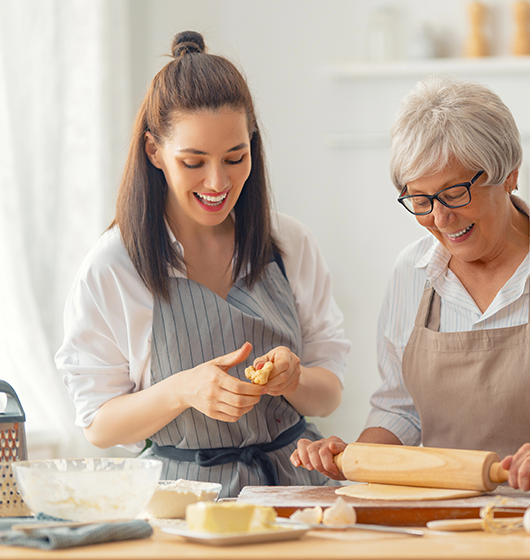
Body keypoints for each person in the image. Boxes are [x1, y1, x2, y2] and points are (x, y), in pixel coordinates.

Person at [291, 76, 530, 494]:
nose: (441, 219)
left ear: (509, 174)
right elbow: (402, 410)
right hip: (452, 525)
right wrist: (354, 458)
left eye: (455, 193)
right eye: (421, 201)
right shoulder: (410, 274)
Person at [56, 31, 350, 497]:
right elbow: (99, 423)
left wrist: (295, 380)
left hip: (298, 489)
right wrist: (182, 391)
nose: (218, 181)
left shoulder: (287, 242)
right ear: (154, 151)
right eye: (194, 162)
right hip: (184, 503)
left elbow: (330, 393)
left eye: (235, 157)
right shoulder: (114, 265)